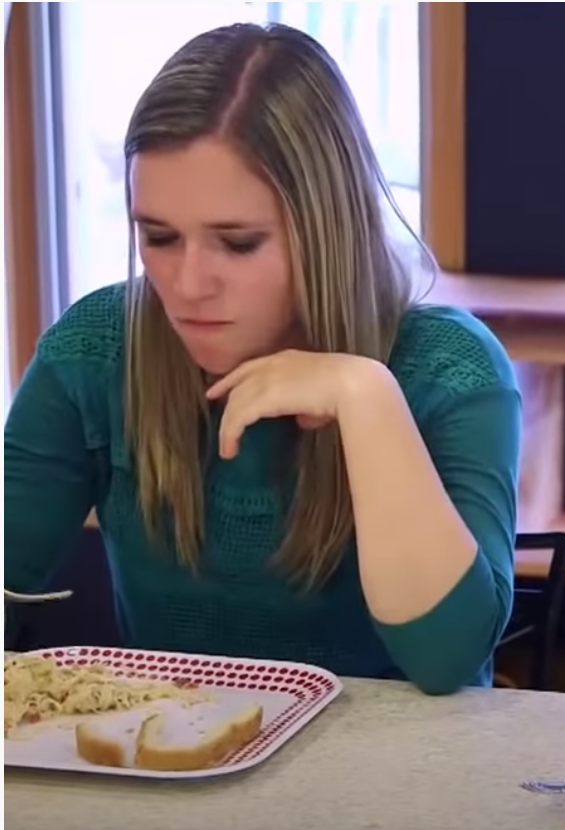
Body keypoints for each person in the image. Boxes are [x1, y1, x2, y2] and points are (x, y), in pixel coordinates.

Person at [4, 23, 520, 695]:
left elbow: (446, 662)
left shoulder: (449, 368)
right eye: (158, 237)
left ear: (328, 228)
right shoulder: (95, 351)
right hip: (173, 753)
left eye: (239, 242)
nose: (188, 284)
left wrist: (366, 398)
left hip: (396, 762)